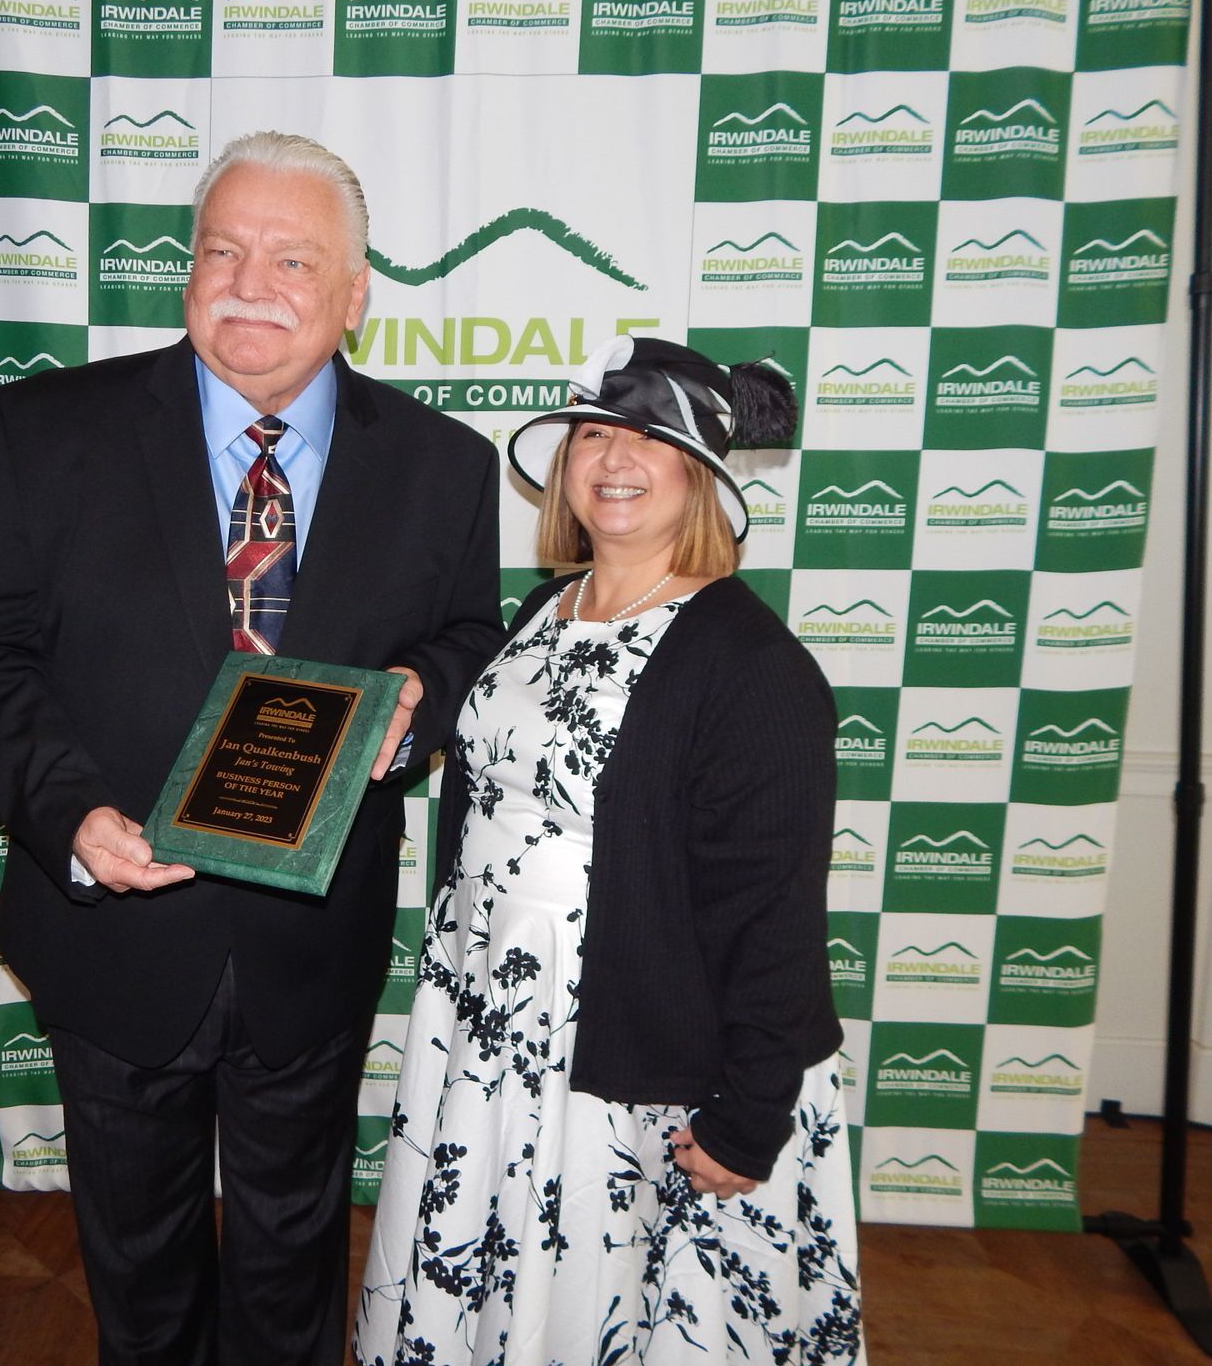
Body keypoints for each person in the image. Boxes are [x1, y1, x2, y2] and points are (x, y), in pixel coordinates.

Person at [0, 131, 505, 1366]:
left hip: (314, 934)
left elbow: (467, 636)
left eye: (295, 260)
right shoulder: (47, 430)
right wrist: (72, 816)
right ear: (186, 273)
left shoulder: (443, 465)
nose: (251, 283)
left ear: (355, 298)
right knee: (137, 1254)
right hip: (111, 922)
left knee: (296, 1244)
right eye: (223, 251)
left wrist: (420, 696)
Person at [354, 336, 864, 1366]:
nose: (615, 458)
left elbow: (774, 912)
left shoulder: (754, 667)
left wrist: (750, 1112)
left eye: (651, 437)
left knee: (626, 1303)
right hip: (494, 1019)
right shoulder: (546, 610)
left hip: (635, 1041)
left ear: (706, 477)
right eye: (595, 432)